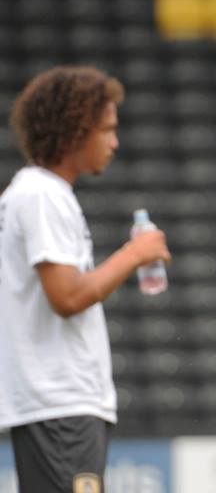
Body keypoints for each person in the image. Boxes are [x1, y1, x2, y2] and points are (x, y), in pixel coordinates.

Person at [0, 66, 171, 493]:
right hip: (60, 403)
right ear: (74, 131)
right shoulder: (42, 194)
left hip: (55, 404)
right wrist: (136, 253)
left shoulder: (37, 192)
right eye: (107, 129)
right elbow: (67, 297)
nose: (115, 142)